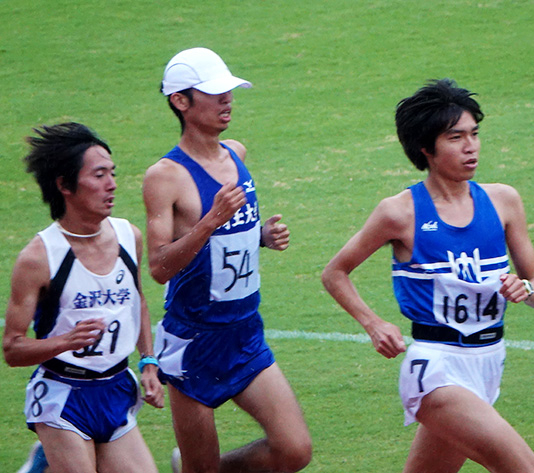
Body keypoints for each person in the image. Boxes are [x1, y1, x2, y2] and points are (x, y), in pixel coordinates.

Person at [322, 79, 534, 473]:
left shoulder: (504, 201)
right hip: (437, 370)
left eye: (474, 134)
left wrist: (523, 287)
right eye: (455, 137)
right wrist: (373, 323)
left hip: (488, 364)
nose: (471, 146)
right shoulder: (400, 212)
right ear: (426, 148)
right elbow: (335, 273)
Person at [142, 47, 312, 473]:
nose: (227, 100)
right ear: (180, 101)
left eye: (229, 91)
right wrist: (209, 221)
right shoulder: (165, 176)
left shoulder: (235, 153)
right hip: (194, 341)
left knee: (294, 450)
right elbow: (159, 267)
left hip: (245, 333)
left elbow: (231, 239)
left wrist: (261, 236)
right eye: (214, 93)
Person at [3, 122, 164, 473]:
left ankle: (42, 465)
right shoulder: (39, 257)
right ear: (65, 185)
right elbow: (12, 349)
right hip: (62, 396)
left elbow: (137, 302)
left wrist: (148, 360)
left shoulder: (128, 237)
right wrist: (65, 341)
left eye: (112, 173)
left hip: (116, 390)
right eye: (99, 175)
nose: (112, 184)